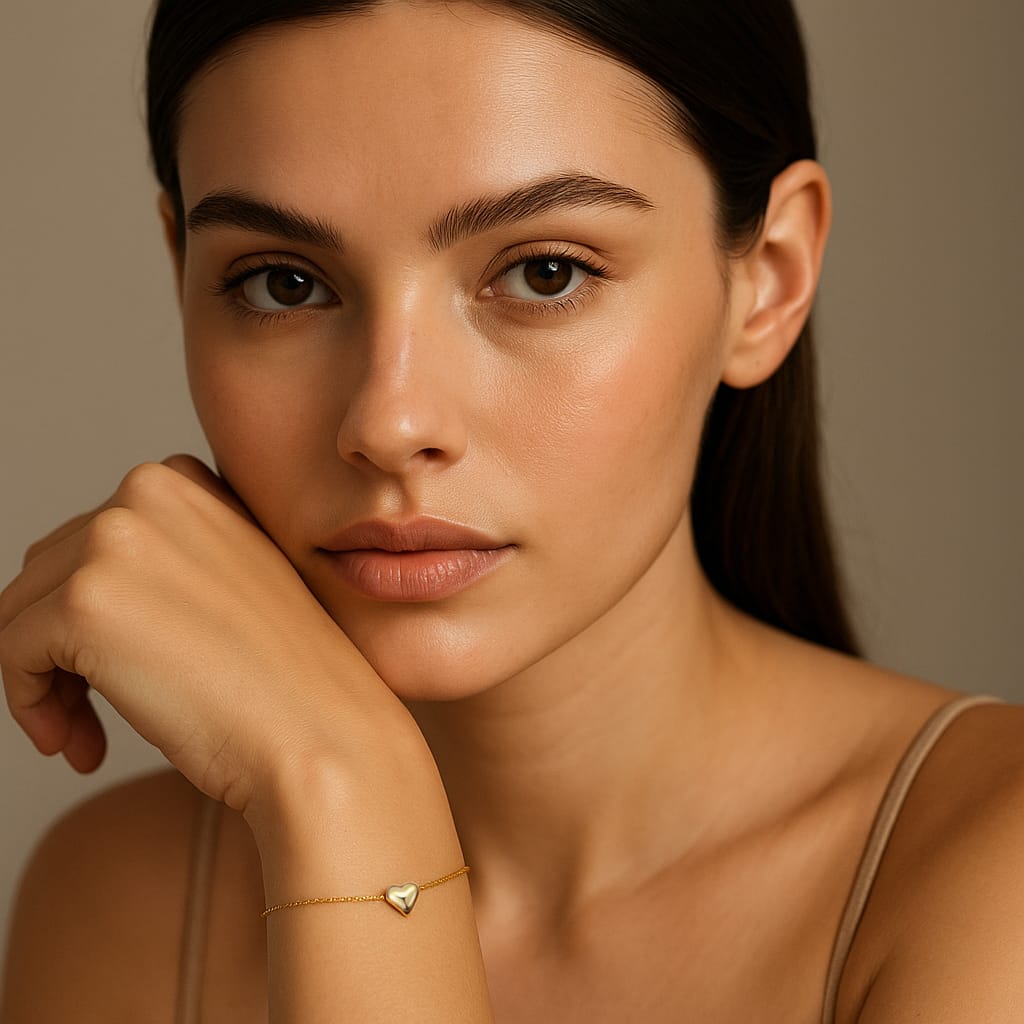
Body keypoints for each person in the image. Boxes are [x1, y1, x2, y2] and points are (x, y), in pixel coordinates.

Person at [1, 1, 1022, 1021]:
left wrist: (358, 814)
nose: (390, 421)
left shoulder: (988, 880)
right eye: (283, 282)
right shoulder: (117, 903)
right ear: (181, 265)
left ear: (767, 281)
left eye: (544, 272)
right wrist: (341, 789)